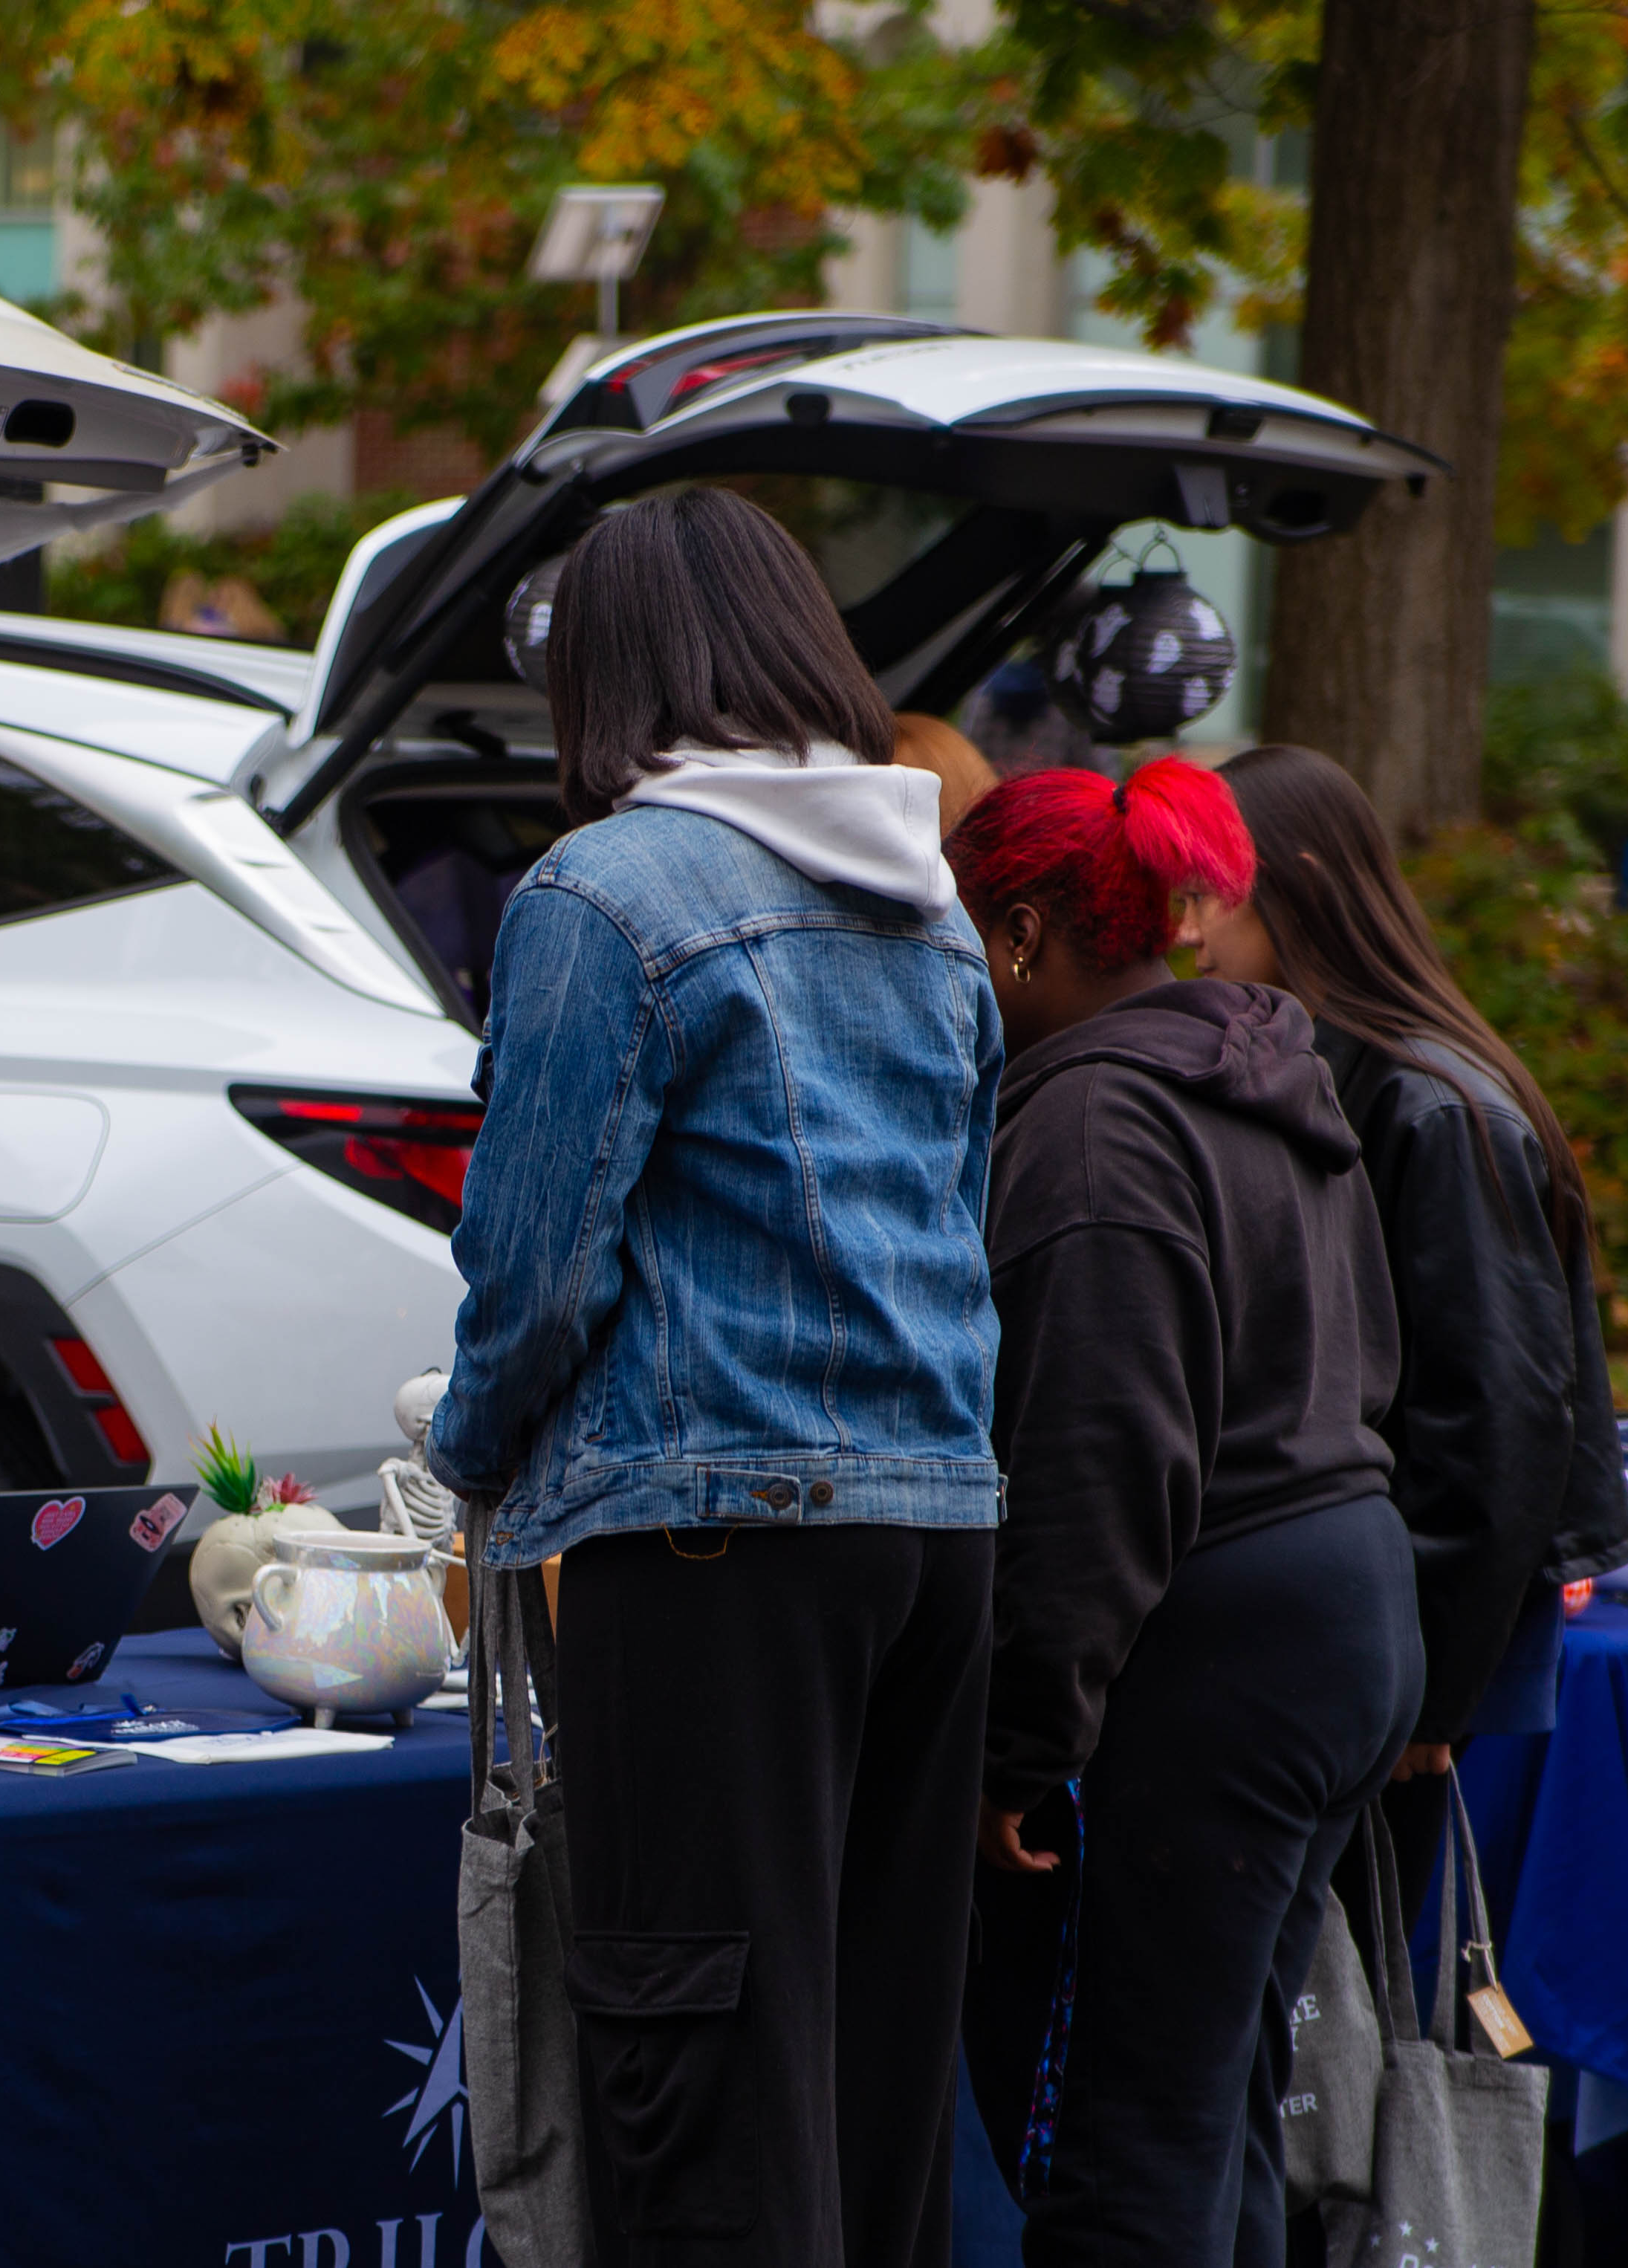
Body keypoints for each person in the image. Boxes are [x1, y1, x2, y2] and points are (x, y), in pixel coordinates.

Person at [425, 486, 1004, 2268]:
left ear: (607, 673)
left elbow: (533, 1261)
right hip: (940, 1530)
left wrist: (470, 1460)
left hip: (719, 1534)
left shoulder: (606, 888)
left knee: (708, 2085)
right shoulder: (928, 899)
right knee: (873, 2075)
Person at [947, 759, 1419, 2268]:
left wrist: (1019, 1744)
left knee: (1121, 2135)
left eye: (965, 937)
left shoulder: (1095, 1127)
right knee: (1217, 2105)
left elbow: (1102, 1464)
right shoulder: (1262, 1068)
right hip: (1348, 1605)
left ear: (1022, 935)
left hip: (1216, 1649)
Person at [1199, 744, 1628, 1821]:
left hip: (1418, 1632)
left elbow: (1493, 1413)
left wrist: (1430, 1688)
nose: (1185, 932)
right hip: (1370, 1616)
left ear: (1298, 877)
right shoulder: (1325, 1069)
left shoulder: (1427, 1105)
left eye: (1210, 891)